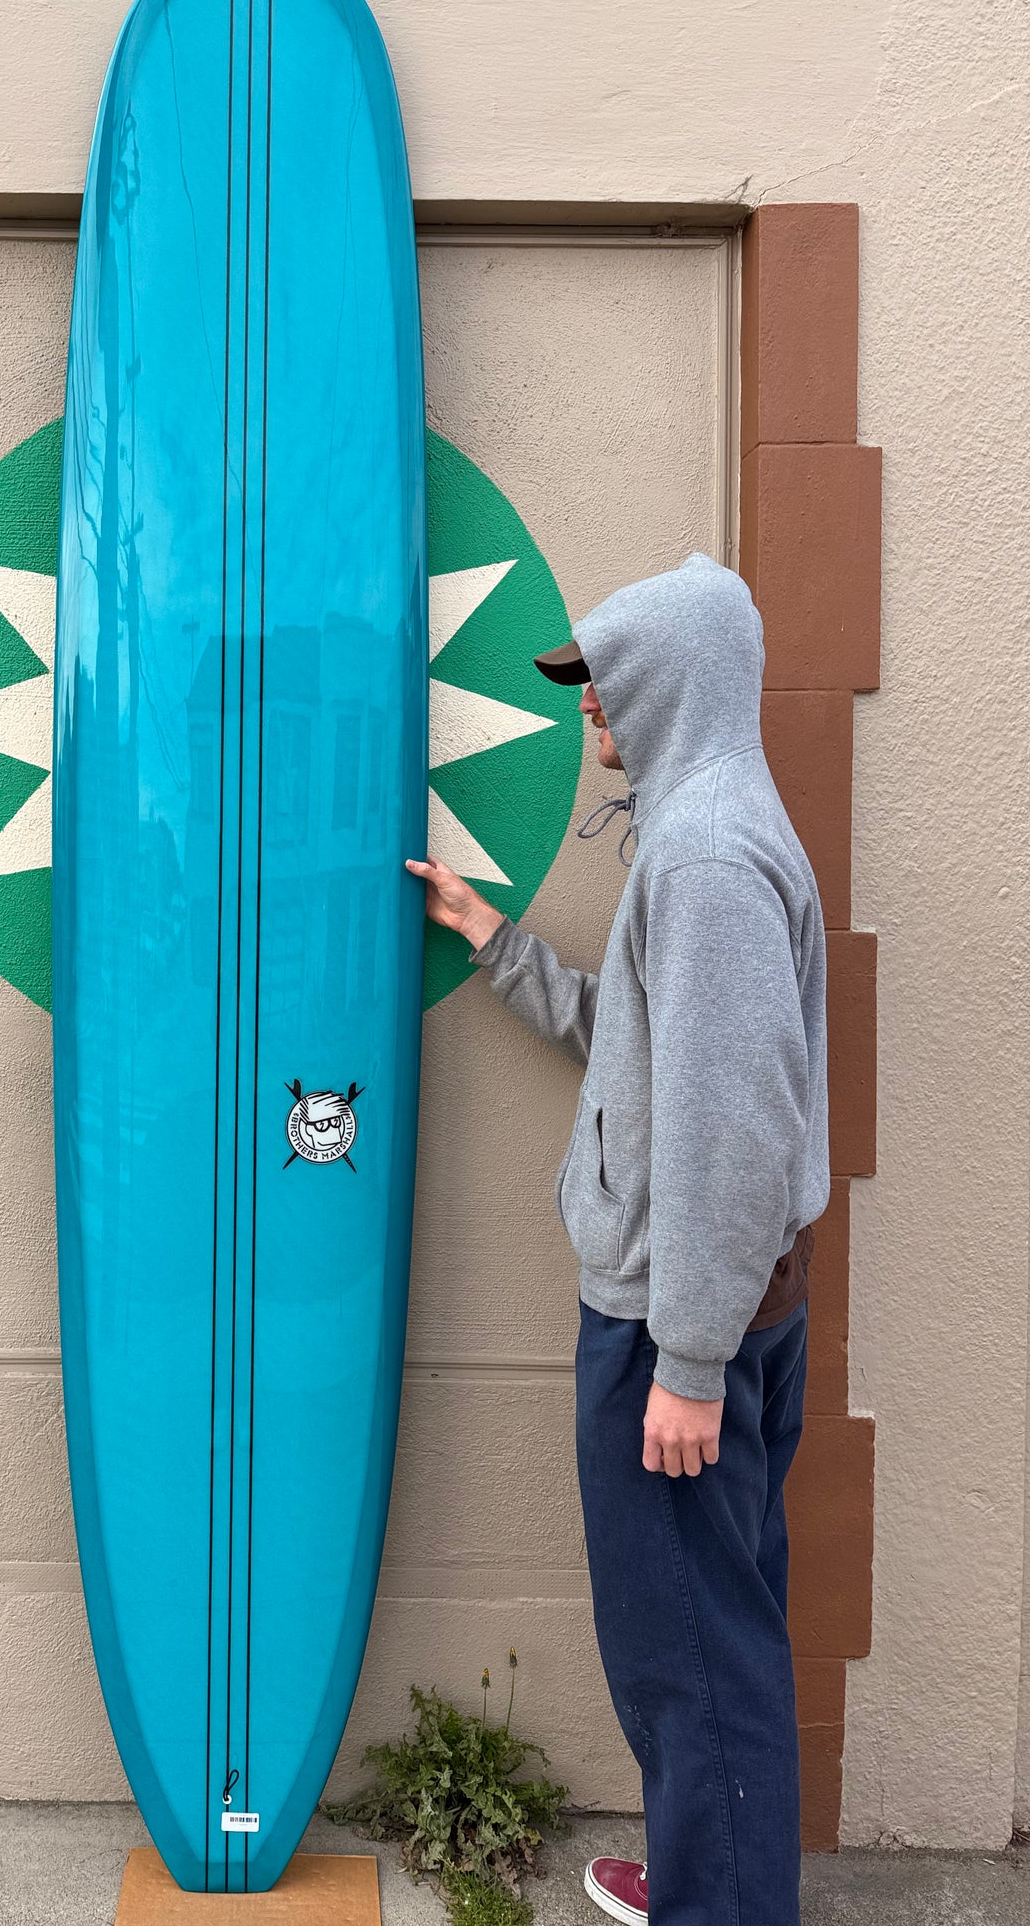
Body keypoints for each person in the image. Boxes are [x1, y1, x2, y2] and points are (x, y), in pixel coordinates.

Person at [409, 553, 828, 1926]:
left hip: (677, 1321)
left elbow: (731, 1133)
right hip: (721, 1301)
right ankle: (715, 1876)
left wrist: (689, 1364)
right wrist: (497, 943)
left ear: (675, 682)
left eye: (604, 681)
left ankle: (721, 1905)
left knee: (689, 1658)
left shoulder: (703, 857)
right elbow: (652, 1057)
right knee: (716, 1635)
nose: (589, 708)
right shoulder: (710, 825)